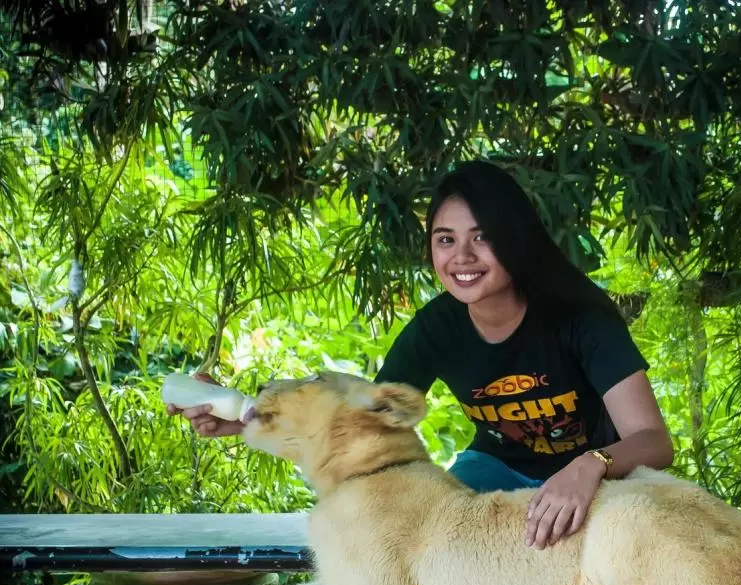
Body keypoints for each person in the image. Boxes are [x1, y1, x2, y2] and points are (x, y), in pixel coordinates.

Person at [168, 160, 675, 550]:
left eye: (483, 239)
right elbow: (361, 418)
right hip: (495, 472)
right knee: (429, 543)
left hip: (600, 473)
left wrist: (590, 466)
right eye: (445, 240)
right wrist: (245, 418)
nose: (462, 258)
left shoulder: (579, 315)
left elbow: (653, 440)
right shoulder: (437, 327)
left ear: (516, 241)